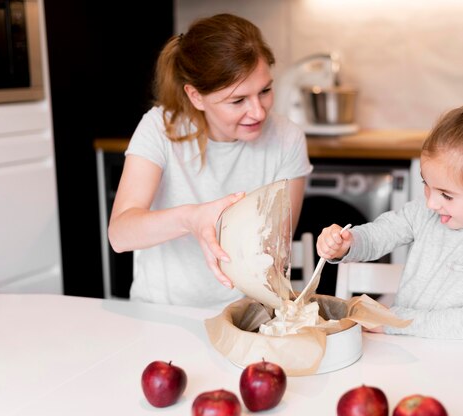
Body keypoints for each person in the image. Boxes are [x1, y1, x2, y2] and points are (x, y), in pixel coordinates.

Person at [108, 13, 313, 308]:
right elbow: (120, 234)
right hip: (161, 312)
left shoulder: (287, 138)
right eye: (237, 100)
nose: (258, 112)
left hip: (245, 315)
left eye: (265, 91)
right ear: (196, 97)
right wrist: (191, 218)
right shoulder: (159, 128)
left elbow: (274, 252)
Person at [316, 101, 463, 339]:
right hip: (409, 351)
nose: (431, 203)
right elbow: (381, 234)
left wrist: (394, 321)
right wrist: (347, 244)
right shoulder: (426, 212)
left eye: (446, 195)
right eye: (426, 185)